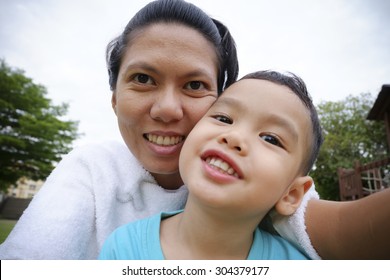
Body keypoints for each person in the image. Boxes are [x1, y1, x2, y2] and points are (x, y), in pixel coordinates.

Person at [1, 0, 389, 260]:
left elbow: (347, 229)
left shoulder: (259, 182)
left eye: (194, 85)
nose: (168, 109)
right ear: (115, 98)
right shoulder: (92, 170)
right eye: (141, 78)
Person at [98, 70, 323, 260]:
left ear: (291, 195)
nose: (234, 137)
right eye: (223, 119)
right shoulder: (123, 248)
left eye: (270, 139)